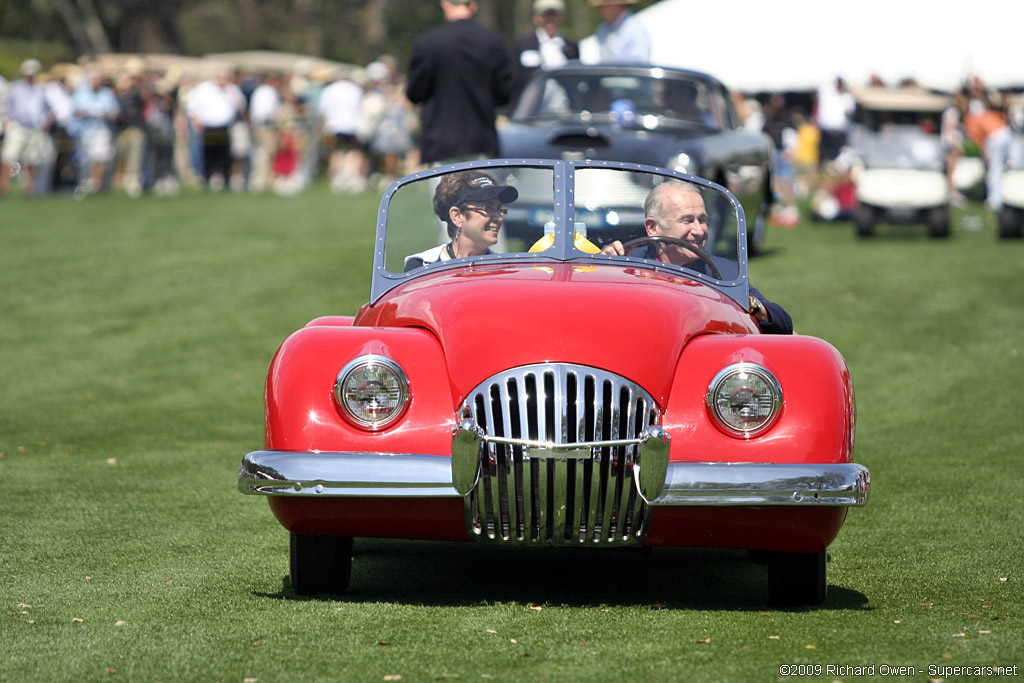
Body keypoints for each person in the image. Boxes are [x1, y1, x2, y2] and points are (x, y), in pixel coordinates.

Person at [601, 180, 793, 334]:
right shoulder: (627, 263)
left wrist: (752, 305)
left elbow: (783, 323)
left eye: (702, 219)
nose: (699, 230)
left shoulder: (724, 272)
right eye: (687, 220)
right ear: (653, 228)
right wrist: (604, 271)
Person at [405, 0, 513, 165]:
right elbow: (504, 92)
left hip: (440, 143)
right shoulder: (493, 40)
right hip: (481, 140)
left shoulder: (428, 41)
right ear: (473, 6)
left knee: (443, 191)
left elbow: (414, 93)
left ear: (446, 5)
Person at [404, 170, 518, 270]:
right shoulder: (422, 266)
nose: (499, 218)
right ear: (457, 216)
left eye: (499, 209)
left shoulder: (504, 268)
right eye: (487, 208)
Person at [509, 0, 579, 107]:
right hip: (531, 108)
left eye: (554, 14)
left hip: (564, 107)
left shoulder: (571, 47)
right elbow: (513, 81)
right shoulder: (523, 46)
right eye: (546, 15)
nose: (551, 19)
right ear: (537, 17)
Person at [186, 69, 246, 190]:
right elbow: (192, 107)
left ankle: (226, 179)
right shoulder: (204, 89)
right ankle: (209, 178)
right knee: (210, 154)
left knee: (225, 155)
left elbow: (241, 105)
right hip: (209, 127)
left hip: (225, 127)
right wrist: (196, 121)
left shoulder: (231, 89)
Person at [1, 59, 52, 197]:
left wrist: (46, 121)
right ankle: (3, 187)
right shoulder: (15, 88)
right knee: (9, 156)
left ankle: (29, 188)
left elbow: (47, 110)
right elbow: (6, 106)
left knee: (31, 159)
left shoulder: (40, 90)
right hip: (17, 126)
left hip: (34, 128)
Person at [591, 0, 651, 65]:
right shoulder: (603, 29)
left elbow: (639, 62)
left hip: (627, 74)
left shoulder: (634, 28)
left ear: (615, 6)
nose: (600, 11)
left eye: (603, 7)